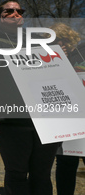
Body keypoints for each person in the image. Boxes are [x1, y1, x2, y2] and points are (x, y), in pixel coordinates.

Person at [0, 0, 60, 195]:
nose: (15, 14)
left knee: (42, 173)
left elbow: (52, 73)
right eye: (9, 11)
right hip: (11, 121)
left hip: (44, 119)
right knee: (17, 173)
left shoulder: (37, 42)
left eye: (19, 11)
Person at [47, 23, 85, 195]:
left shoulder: (81, 53)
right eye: (55, 41)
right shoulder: (48, 58)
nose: (62, 45)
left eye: (64, 41)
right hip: (65, 121)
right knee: (65, 163)